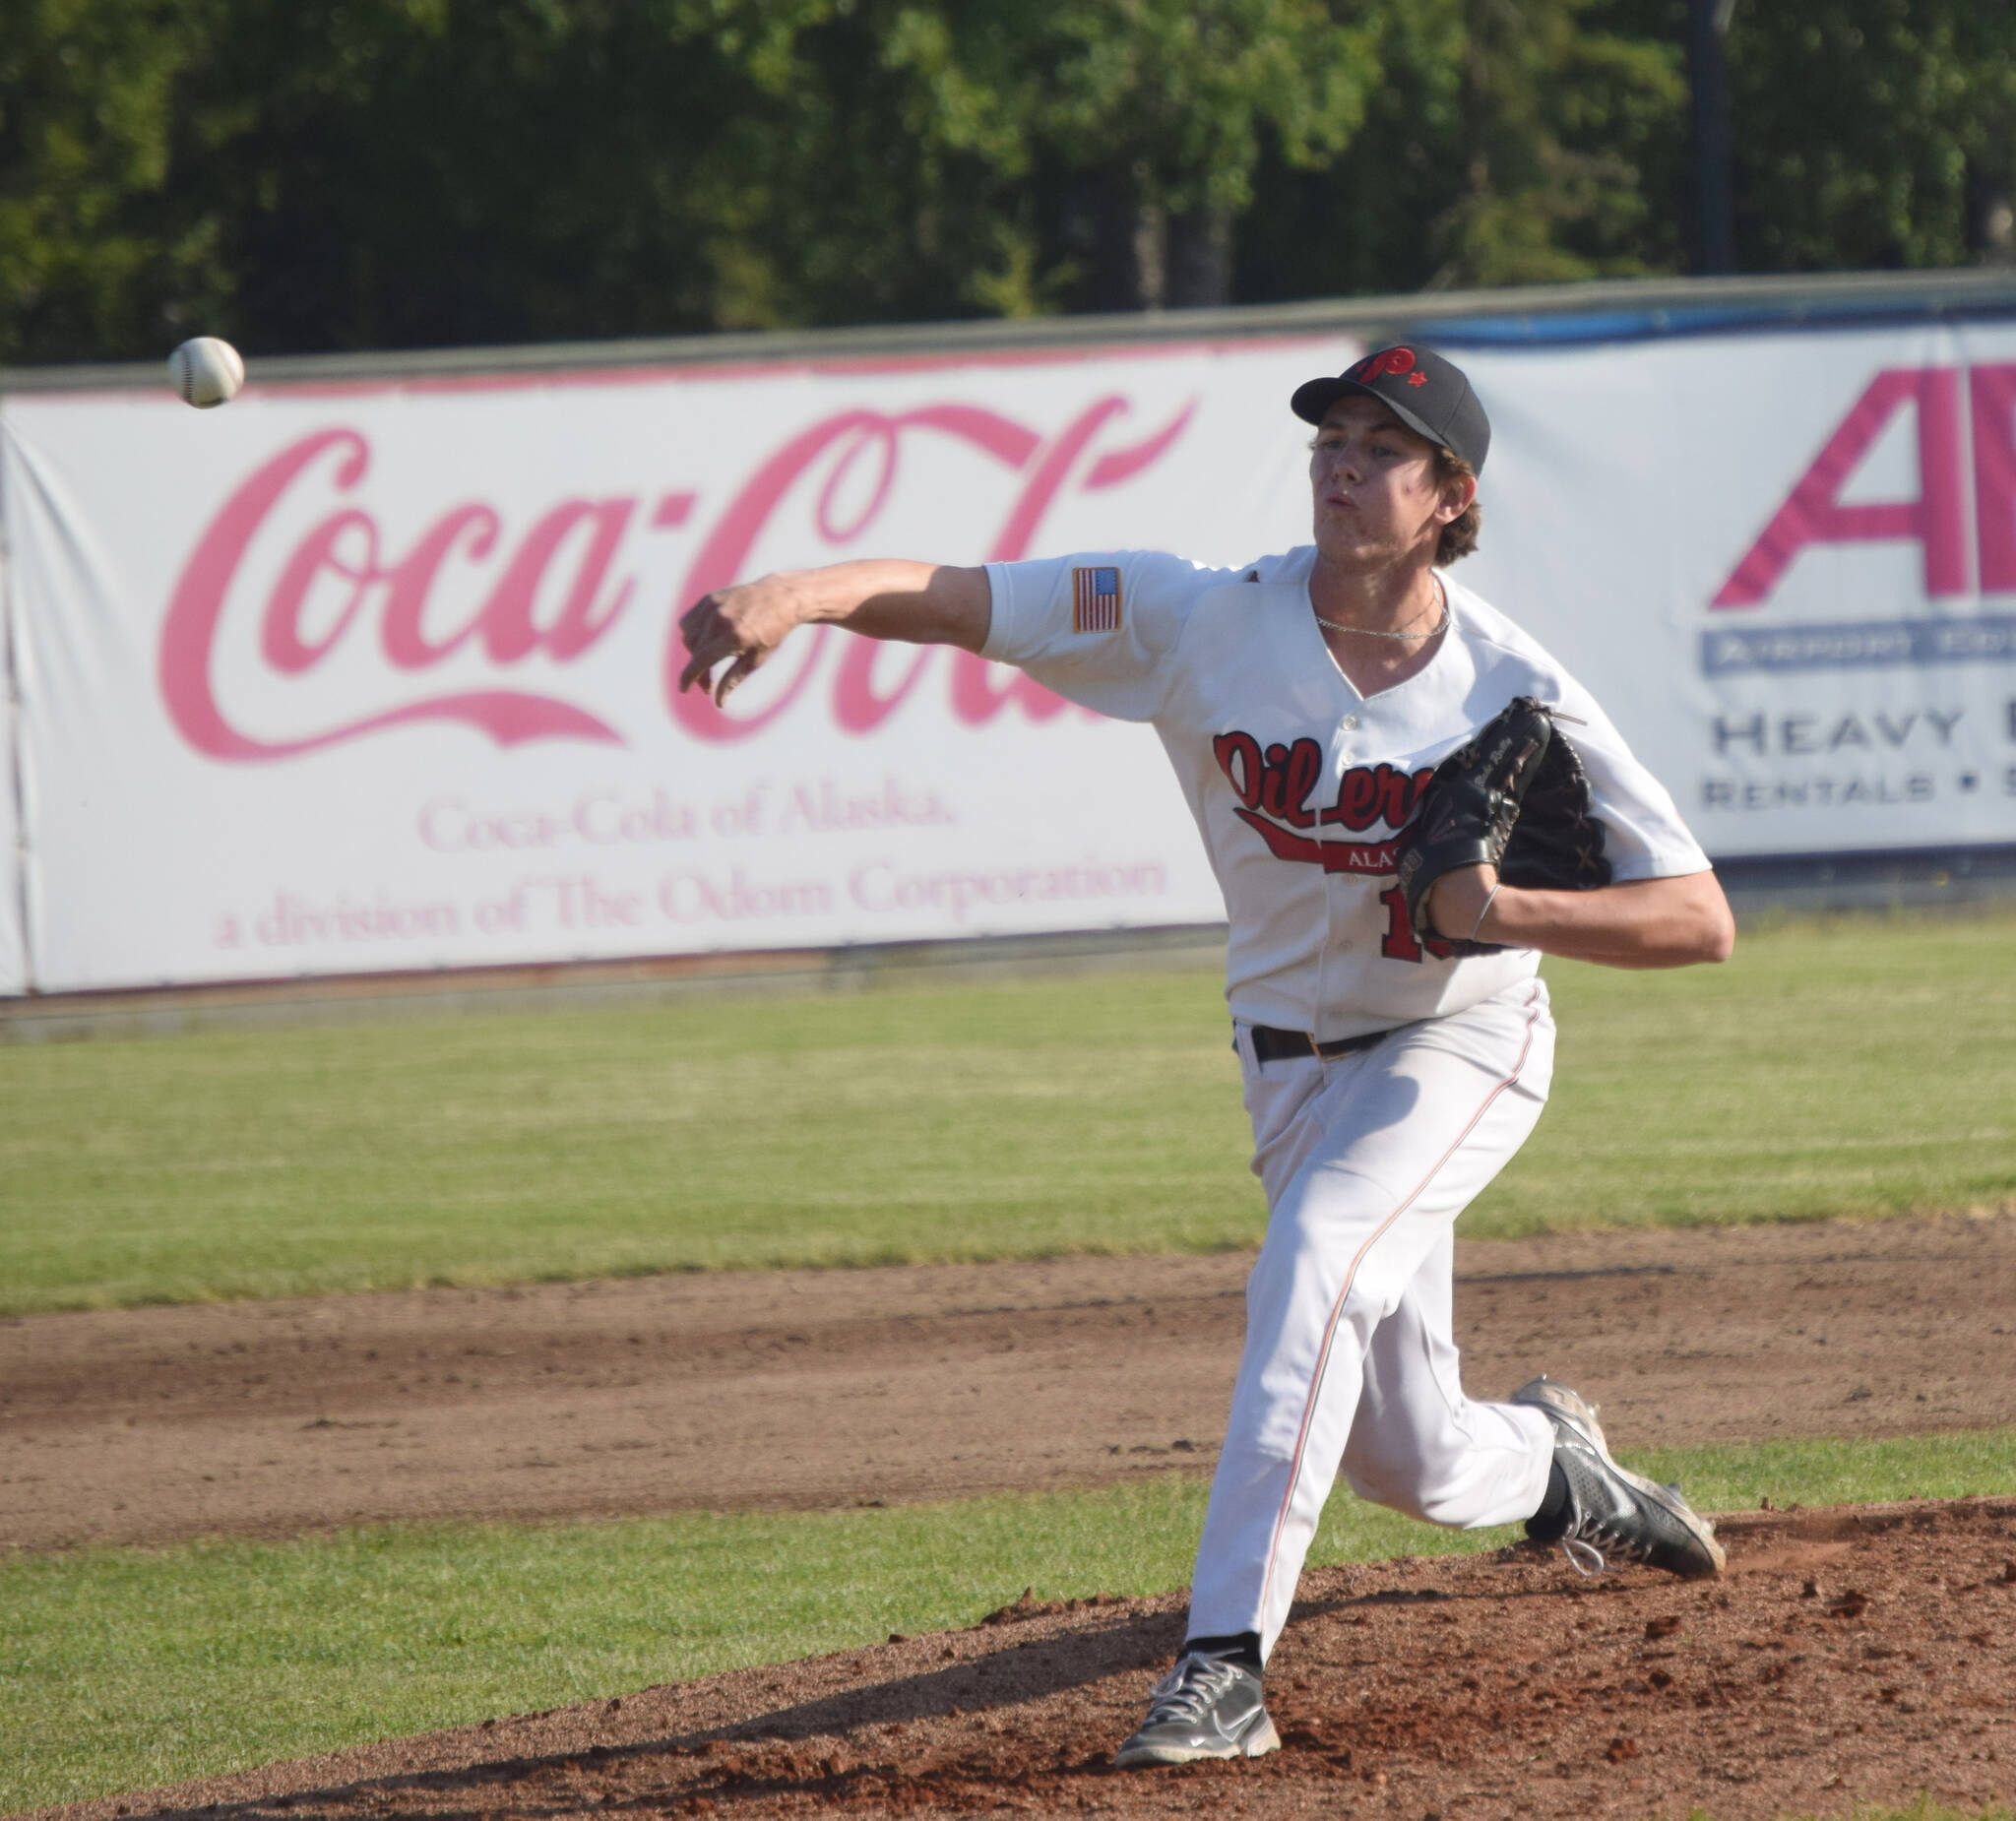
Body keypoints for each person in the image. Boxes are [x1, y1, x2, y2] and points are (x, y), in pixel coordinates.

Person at [677, 345, 1735, 1771]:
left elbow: (1700, 917)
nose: (1343, 465)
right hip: (1290, 1070)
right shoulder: (1196, 618)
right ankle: (1560, 1470)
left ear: (1449, 497)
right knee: (1406, 1456)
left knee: (1311, 1263)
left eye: (1382, 448)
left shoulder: (1512, 689)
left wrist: (1500, 912)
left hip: (1456, 1042)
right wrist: (793, 596)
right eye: (1332, 441)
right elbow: (969, 600)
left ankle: (1223, 1667)